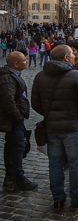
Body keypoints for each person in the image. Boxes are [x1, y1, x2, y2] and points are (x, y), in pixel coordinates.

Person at [31, 45, 78, 210]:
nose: (74, 56)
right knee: (76, 164)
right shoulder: (77, 76)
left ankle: (58, 199)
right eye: (71, 54)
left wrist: (51, 112)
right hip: (73, 127)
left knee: (55, 164)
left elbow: (35, 104)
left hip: (52, 128)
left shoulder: (40, 77)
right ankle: (77, 199)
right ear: (66, 58)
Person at [0, 52, 37, 191]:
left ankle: (12, 177)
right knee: (16, 147)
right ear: (16, 64)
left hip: (16, 118)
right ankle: (17, 178)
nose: (26, 61)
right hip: (13, 120)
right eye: (24, 60)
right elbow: (8, 101)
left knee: (14, 147)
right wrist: (18, 116)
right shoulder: (7, 79)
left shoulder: (13, 76)